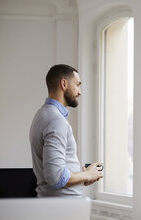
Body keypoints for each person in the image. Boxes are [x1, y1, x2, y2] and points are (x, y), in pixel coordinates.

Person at [29, 64, 103, 197]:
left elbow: (53, 171)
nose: (80, 92)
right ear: (64, 84)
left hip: (54, 206)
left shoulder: (41, 115)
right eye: (78, 84)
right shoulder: (56, 121)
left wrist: (82, 176)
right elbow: (55, 177)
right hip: (62, 208)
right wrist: (88, 174)